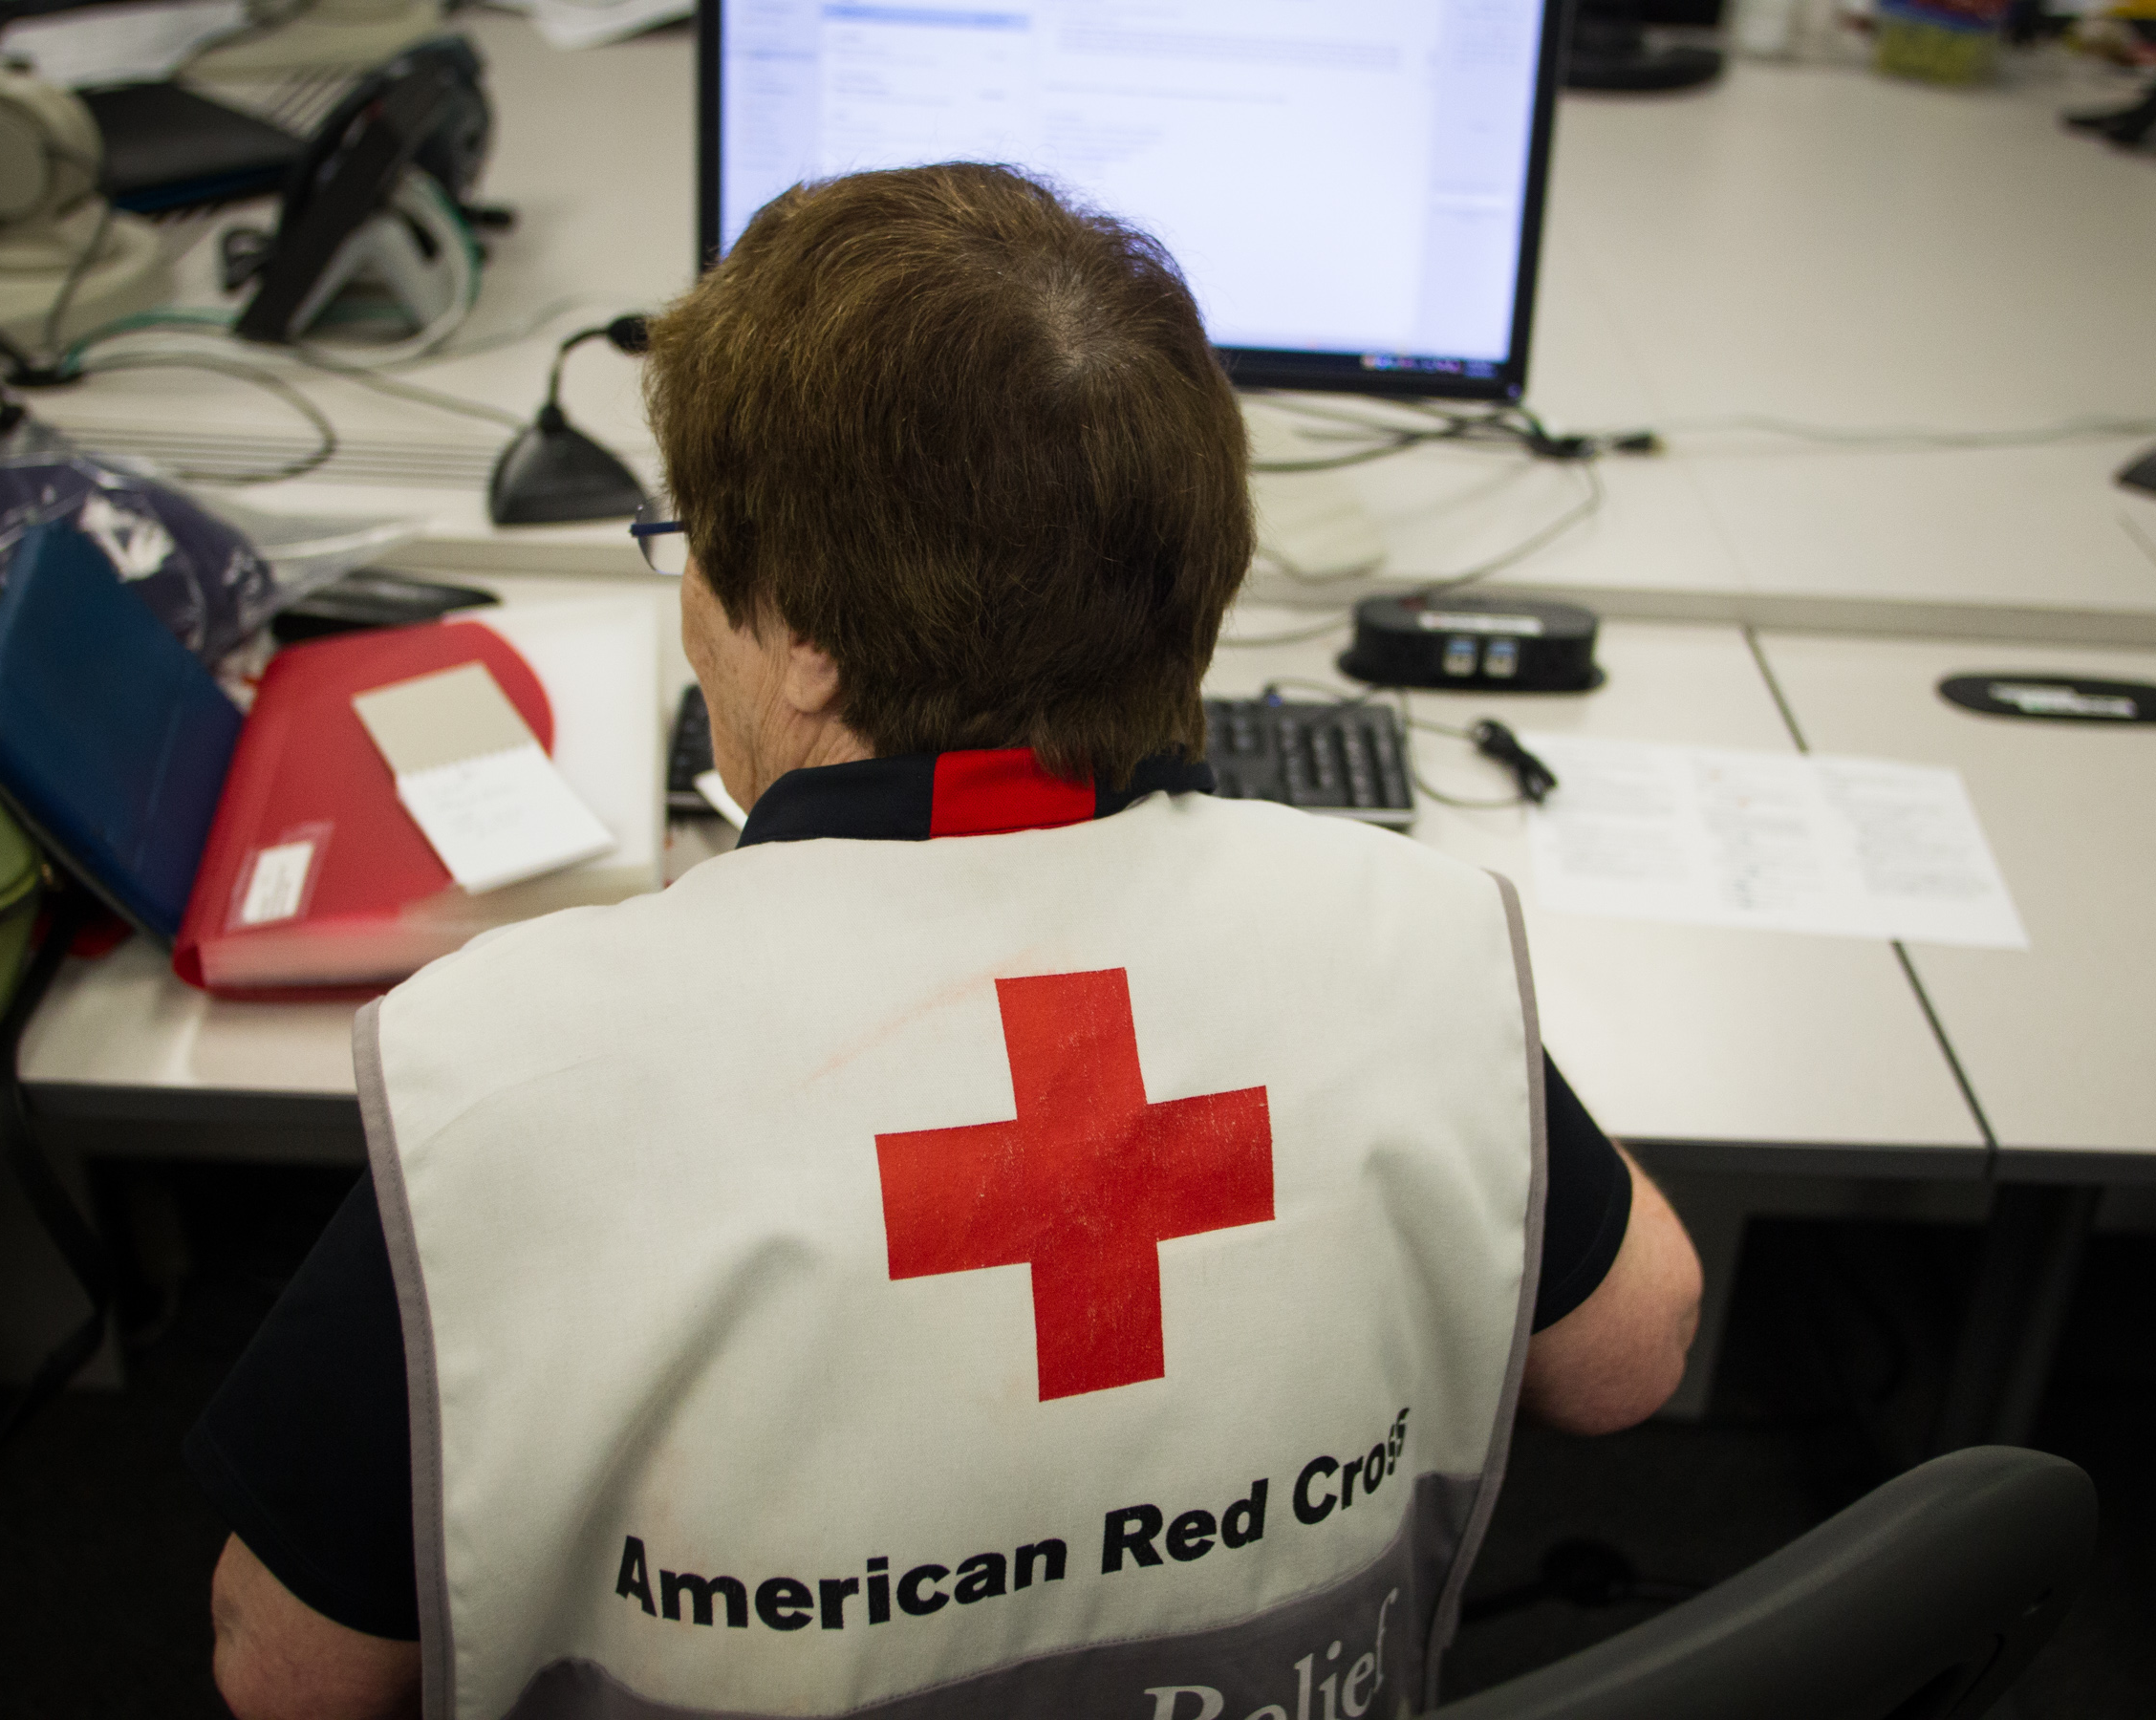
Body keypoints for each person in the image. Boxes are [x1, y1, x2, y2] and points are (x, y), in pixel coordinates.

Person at [190, 163, 1701, 1720]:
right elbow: (1632, 1352)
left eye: (693, 545)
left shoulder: (515, 1084)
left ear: (806, 641)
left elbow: (284, 1673)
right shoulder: (1408, 945)